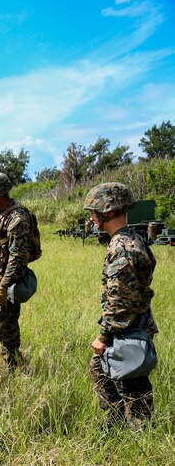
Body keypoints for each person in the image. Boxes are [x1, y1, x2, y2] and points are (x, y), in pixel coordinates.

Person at [84, 182, 157, 430]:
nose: (92, 217)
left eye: (94, 212)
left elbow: (120, 302)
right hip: (135, 325)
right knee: (115, 377)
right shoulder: (133, 239)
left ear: (108, 211)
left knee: (133, 387)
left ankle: (136, 436)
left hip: (126, 329)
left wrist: (103, 337)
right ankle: (116, 427)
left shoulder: (121, 248)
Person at [0, 172, 35, 369]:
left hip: (8, 279)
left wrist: (3, 287)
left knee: (6, 322)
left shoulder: (18, 218)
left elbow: (17, 258)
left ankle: (14, 363)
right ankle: (12, 354)